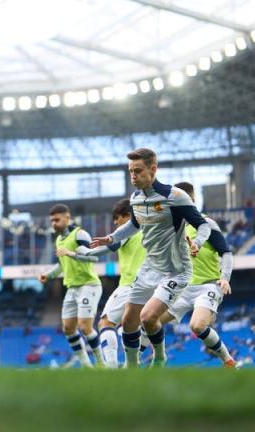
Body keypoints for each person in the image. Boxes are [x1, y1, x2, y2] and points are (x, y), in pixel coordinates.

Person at [90, 148, 211, 367]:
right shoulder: (136, 199)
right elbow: (135, 224)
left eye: (137, 171)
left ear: (153, 169)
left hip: (176, 270)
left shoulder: (175, 197)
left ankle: (160, 357)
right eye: (130, 172)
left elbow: (202, 225)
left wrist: (197, 242)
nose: (133, 176)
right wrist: (111, 238)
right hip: (149, 268)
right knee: (128, 321)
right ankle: (132, 368)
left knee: (147, 318)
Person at [158, 182, 236, 368]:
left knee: (197, 326)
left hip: (208, 285)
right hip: (182, 288)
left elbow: (226, 252)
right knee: (149, 321)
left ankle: (228, 361)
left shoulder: (206, 223)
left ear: (191, 200)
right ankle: (154, 361)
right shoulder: (172, 229)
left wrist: (225, 277)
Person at [84, 199, 148, 368]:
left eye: (117, 218)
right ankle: (133, 365)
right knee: (131, 327)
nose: (115, 223)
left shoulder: (127, 231)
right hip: (152, 287)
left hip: (130, 285)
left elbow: (110, 246)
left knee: (105, 323)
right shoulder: (149, 229)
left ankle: (111, 368)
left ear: (127, 216)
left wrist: (84, 253)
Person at [39, 204, 103, 367]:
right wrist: (49, 274)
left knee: (85, 327)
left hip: (88, 285)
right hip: (72, 288)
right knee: (68, 328)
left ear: (67, 217)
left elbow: (93, 258)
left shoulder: (79, 234)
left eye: (57, 220)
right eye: (52, 221)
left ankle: (102, 365)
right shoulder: (59, 240)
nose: (53, 223)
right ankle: (87, 366)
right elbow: (62, 264)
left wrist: (71, 253)